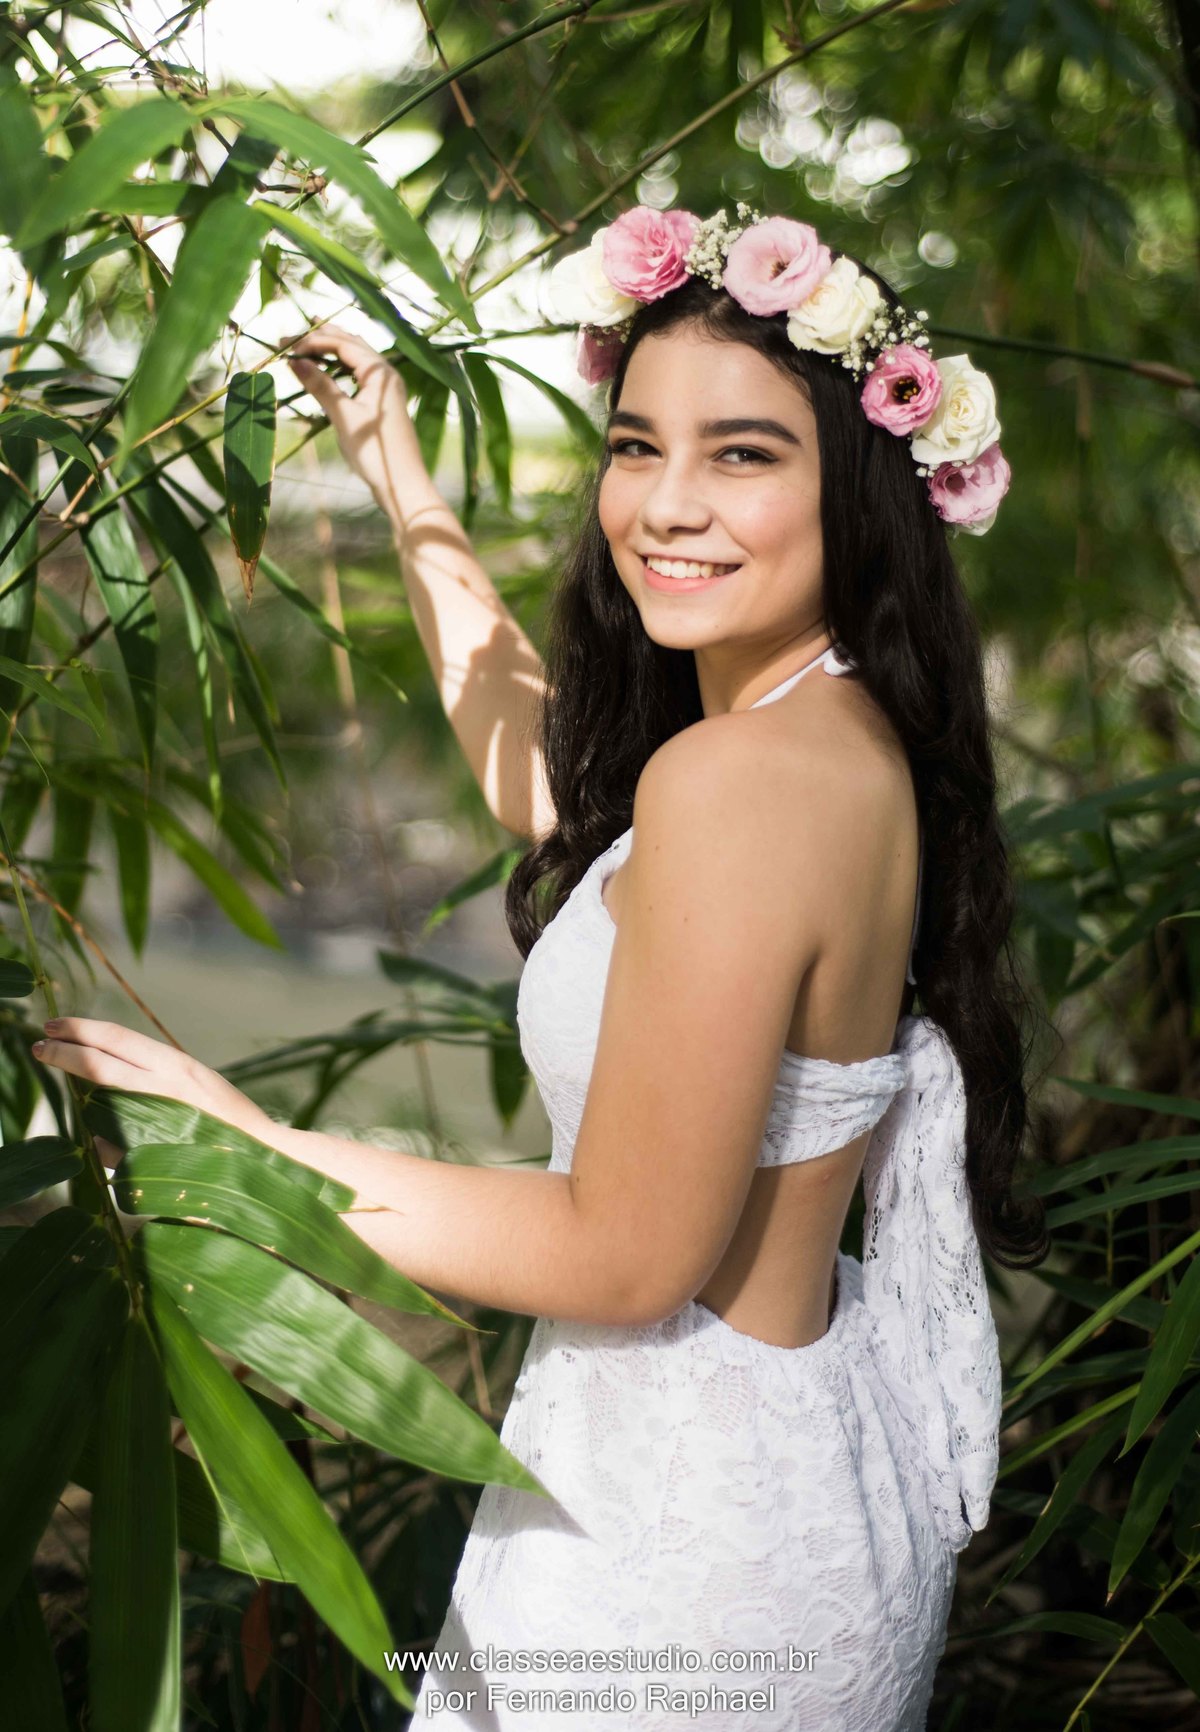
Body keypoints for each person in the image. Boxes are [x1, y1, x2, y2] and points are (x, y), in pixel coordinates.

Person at [35, 203, 1049, 1730]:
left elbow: (625, 1255)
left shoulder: (740, 786)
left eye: (744, 454)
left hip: (679, 1565)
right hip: (779, 1490)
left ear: (862, 491)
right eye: (637, 447)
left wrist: (244, 1146)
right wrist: (398, 476)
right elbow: (563, 796)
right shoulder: (823, 744)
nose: (666, 503)